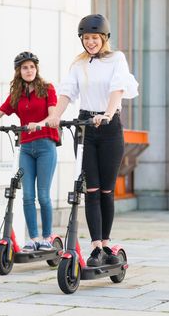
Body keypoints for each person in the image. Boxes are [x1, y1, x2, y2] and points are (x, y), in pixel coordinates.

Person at [46, 14, 139, 266]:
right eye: (86, 38)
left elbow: (117, 88)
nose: (90, 42)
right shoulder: (79, 64)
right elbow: (67, 92)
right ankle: (96, 247)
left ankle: (107, 244)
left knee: (107, 190)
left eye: (94, 38)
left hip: (109, 127)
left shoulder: (116, 58)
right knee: (91, 190)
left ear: (103, 38)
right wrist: (54, 116)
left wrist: (107, 114)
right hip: (85, 126)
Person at [0, 51, 59, 252]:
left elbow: (53, 115)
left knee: (42, 194)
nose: (29, 71)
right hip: (26, 147)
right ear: (19, 71)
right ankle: (33, 238)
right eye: (25, 67)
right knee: (27, 195)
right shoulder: (17, 94)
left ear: (37, 68)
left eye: (32, 67)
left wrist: (40, 123)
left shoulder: (47, 89)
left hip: (46, 144)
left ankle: (46, 237)